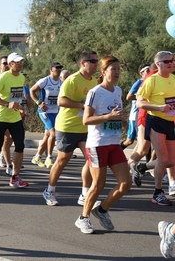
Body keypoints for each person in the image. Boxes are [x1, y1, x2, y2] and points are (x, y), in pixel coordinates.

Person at [74, 55, 131, 234]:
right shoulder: (95, 93)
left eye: (119, 69)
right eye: (113, 69)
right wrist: (108, 117)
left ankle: (102, 210)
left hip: (114, 143)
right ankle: (83, 218)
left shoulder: (118, 91)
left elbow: (117, 115)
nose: (117, 72)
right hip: (97, 144)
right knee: (98, 184)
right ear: (103, 71)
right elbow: (86, 119)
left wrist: (123, 121)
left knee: (126, 183)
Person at [42, 50, 99, 206]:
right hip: (67, 127)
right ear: (83, 63)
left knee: (91, 159)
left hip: (86, 128)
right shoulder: (72, 80)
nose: (96, 64)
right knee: (62, 159)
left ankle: (84, 193)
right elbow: (61, 101)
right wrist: (82, 105)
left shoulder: (94, 81)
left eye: (96, 61)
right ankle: (50, 190)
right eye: (92, 61)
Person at [0, 52, 29, 188]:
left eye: (21, 61)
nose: (20, 64)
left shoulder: (21, 78)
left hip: (15, 117)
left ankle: (15, 177)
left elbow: (15, 97)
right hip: (1, 116)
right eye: (17, 62)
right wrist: (6, 104)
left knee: (20, 146)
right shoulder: (3, 77)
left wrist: (21, 108)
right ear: (10, 64)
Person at [135, 51, 175, 206]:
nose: (170, 63)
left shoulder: (173, 79)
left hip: (170, 122)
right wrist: (158, 107)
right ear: (158, 64)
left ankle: (142, 166)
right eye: (166, 61)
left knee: (171, 161)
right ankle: (158, 192)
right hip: (155, 121)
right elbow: (139, 103)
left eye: (172, 60)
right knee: (163, 159)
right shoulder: (152, 80)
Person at [30, 61, 63, 168]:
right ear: (51, 69)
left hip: (55, 111)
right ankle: (49, 157)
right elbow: (32, 90)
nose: (58, 70)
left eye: (60, 68)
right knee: (53, 134)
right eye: (56, 68)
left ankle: (37, 156)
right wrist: (38, 103)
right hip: (45, 111)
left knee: (47, 135)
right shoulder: (45, 80)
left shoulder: (61, 82)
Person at [121, 64, 150, 149]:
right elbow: (128, 96)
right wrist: (141, 98)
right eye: (147, 71)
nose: (149, 73)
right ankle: (115, 154)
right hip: (135, 116)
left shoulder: (149, 82)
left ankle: (144, 161)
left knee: (144, 140)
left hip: (144, 115)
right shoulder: (139, 82)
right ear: (141, 73)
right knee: (130, 141)